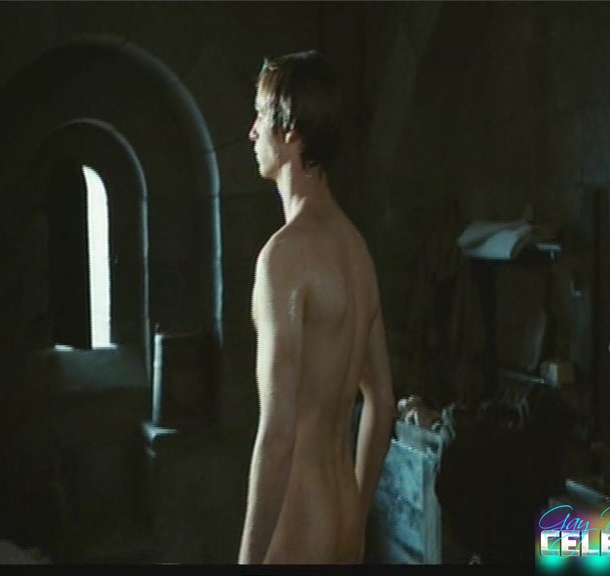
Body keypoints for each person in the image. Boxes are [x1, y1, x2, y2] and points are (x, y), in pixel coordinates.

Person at [238, 50, 396, 564]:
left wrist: (247, 559)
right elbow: (382, 399)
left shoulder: (284, 256)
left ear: (291, 132)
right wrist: (358, 516)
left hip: (298, 518)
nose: (251, 132)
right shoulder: (357, 250)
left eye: (260, 116)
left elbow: (278, 431)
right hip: (344, 509)